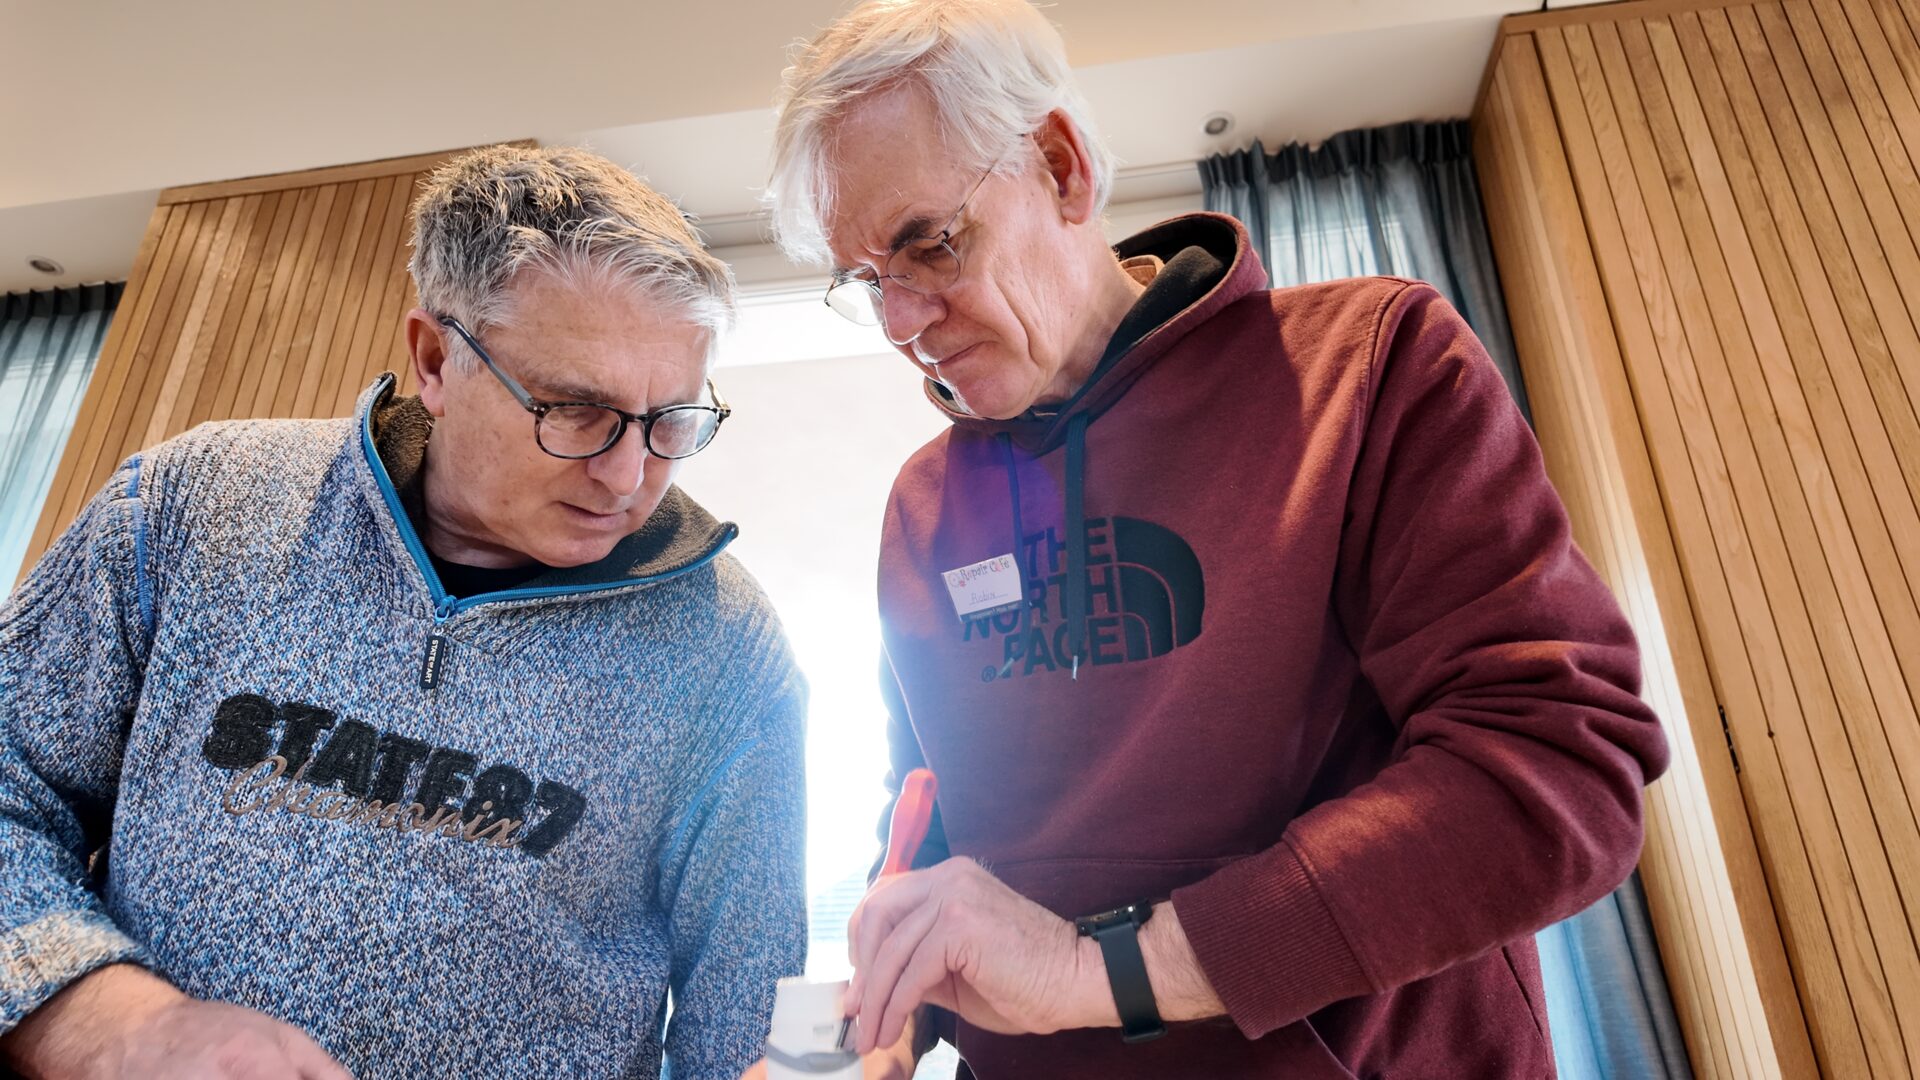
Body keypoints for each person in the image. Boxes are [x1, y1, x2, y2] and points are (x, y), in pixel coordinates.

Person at [753, 2, 1671, 1076]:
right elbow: (934, 816)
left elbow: (1554, 766)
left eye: (930, 245)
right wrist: (888, 1016)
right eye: (868, 281)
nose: (903, 321)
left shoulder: (1372, 368)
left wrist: (1099, 973)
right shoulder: (924, 505)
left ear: (1059, 169)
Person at [0, 145, 806, 1080]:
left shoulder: (729, 650)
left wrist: (807, 1063)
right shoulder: (193, 508)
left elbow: (759, 1014)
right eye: (576, 412)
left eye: (671, 420)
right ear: (434, 358)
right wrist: (109, 1025)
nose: (629, 477)